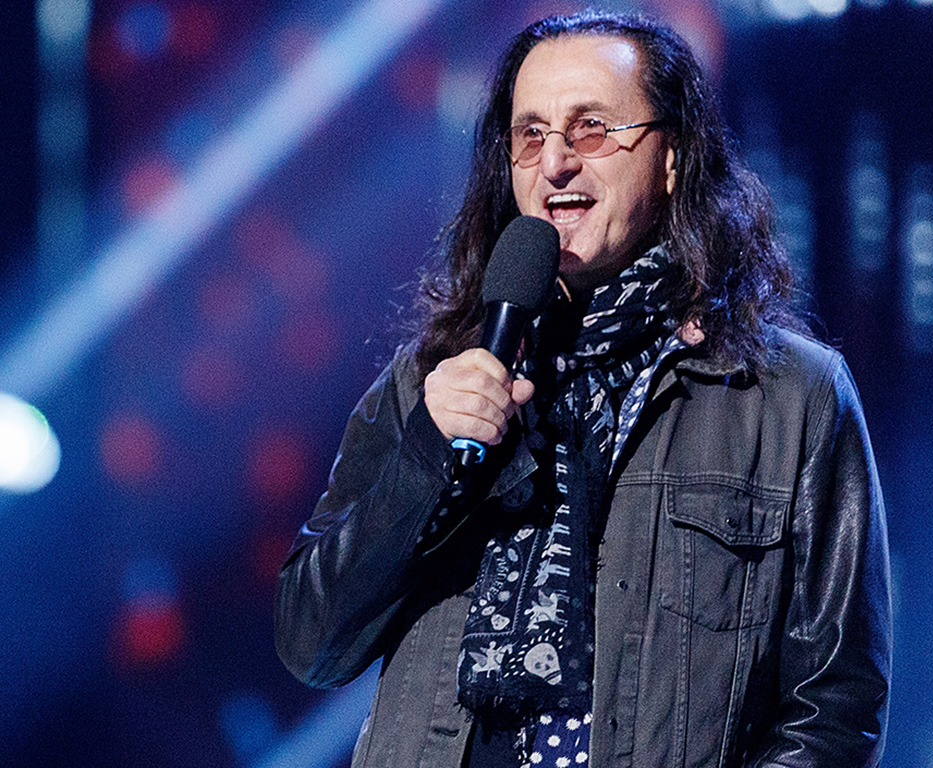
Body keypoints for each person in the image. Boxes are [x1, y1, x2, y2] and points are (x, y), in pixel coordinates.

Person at [275, 11, 892, 768]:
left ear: (670, 159)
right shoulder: (432, 380)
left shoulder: (791, 397)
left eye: (592, 128)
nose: (556, 162)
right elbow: (312, 642)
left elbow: (835, 707)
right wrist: (427, 455)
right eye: (530, 134)